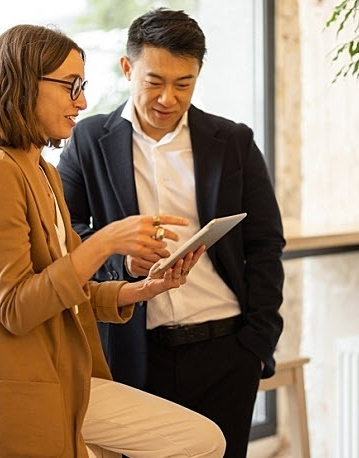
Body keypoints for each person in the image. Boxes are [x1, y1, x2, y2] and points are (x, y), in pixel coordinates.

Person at [0, 24, 226, 458]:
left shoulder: (42, 171)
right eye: (71, 86)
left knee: (204, 439)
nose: (83, 102)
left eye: (83, 87)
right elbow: (16, 308)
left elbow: (70, 290)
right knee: (201, 441)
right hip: (20, 394)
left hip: (65, 378)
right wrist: (106, 241)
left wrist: (138, 290)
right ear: (23, 83)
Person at [58, 9, 285, 457]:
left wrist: (258, 342)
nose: (168, 98)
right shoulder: (89, 140)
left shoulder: (233, 141)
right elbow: (65, 234)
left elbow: (265, 243)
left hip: (227, 349)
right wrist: (120, 260)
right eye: (154, 81)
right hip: (134, 353)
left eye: (184, 84)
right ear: (128, 68)